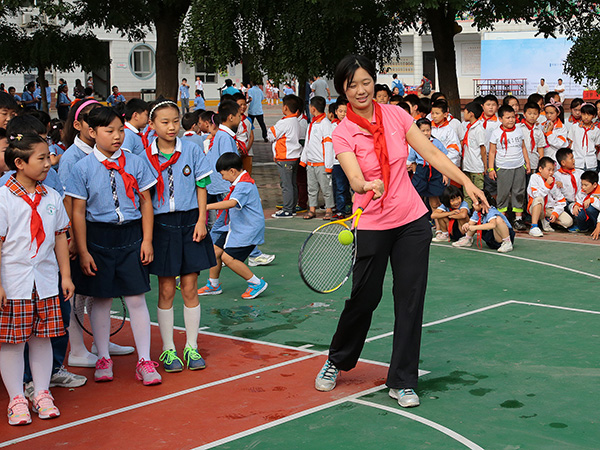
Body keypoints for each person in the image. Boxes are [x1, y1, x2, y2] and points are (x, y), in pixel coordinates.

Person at [314, 55, 486, 408]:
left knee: (410, 300)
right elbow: (352, 176)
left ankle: (403, 379)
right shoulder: (344, 131)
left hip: (411, 222)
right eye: (352, 85)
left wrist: (466, 181)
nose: (360, 90)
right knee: (365, 298)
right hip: (374, 224)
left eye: (365, 82)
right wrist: (366, 184)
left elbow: (430, 153)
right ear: (342, 90)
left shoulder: (395, 114)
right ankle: (337, 358)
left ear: (373, 83)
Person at [65, 107, 161, 386]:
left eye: (120, 130)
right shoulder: (81, 168)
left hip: (131, 236)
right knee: (102, 299)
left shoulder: (136, 163)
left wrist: (146, 240)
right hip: (98, 239)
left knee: (136, 298)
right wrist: (82, 251)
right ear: (92, 133)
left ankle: (144, 360)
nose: (117, 136)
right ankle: (103, 356)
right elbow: (78, 213)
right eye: (110, 131)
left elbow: (146, 203)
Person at [0, 132, 75, 425]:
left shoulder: (52, 196)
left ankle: (42, 393)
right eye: (41, 158)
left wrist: (65, 276)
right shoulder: (4, 199)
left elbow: (59, 237)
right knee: (12, 343)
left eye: (49, 157)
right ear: (19, 162)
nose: (48, 163)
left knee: (42, 338)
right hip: (14, 280)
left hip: (44, 280)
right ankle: (17, 397)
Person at [140, 100, 215, 372]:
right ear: (152, 125)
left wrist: (201, 220)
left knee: (191, 286)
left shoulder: (192, 150)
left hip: (190, 222)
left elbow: (202, 185)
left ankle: (192, 346)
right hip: (161, 225)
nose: (171, 127)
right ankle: (169, 349)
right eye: (164, 122)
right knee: (167, 288)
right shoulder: (145, 155)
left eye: (175, 121)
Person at [199, 153, 268, 299]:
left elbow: (232, 203)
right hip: (234, 226)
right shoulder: (241, 182)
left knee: (228, 258)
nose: (223, 178)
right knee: (215, 251)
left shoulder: (244, 185)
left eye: (223, 175)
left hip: (247, 229)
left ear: (232, 171)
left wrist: (205, 206)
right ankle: (213, 284)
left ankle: (256, 283)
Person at [488, 105, 530, 230]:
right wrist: (491, 168)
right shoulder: (496, 133)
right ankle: (502, 219)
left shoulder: (518, 130)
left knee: (519, 192)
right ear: (500, 119)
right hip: (503, 167)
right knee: (503, 194)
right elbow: (491, 152)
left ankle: (518, 219)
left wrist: (527, 163)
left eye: (513, 117)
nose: (511, 120)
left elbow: (523, 147)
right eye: (507, 118)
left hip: (519, 166)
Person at [408, 118, 449, 242]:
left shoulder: (436, 143)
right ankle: (415, 227)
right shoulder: (414, 143)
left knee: (434, 202)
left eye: (428, 130)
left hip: (435, 171)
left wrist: (445, 174)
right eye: (423, 131)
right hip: (421, 171)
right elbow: (411, 160)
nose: (426, 133)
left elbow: (443, 159)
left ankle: (439, 229)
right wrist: (415, 172)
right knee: (416, 199)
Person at [205, 100, 241, 229]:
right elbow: (228, 161)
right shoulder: (225, 137)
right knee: (226, 217)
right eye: (239, 116)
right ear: (231, 117)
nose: (240, 119)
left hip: (219, 182)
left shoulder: (221, 135)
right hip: (225, 183)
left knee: (221, 217)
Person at [300, 96, 334, 220]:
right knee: (312, 188)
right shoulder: (312, 124)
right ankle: (312, 209)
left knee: (326, 188)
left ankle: (329, 209)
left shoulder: (325, 124)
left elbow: (328, 146)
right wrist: (304, 160)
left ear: (313, 109)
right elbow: (307, 144)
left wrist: (328, 165)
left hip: (321, 163)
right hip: (311, 163)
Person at [268, 95, 302, 218]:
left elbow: (271, 134)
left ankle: (288, 210)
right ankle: (291, 207)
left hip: (285, 157)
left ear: (285, 107)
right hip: (293, 157)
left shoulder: (284, 122)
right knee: (292, 184)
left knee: (286, 185)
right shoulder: (295, 121)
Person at [526, 157, 572, 237]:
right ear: (540, 169)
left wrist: (555, 213)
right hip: (536, 208)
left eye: (553, 170)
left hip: (549, 209)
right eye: (549, 170)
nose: (551, 172)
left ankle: (547, 220)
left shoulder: (554, 181)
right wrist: (546, 185)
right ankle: (534, 227)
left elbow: (561, 201)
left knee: (568, 221)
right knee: (539, 199)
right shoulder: (534, 177)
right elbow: (536, 195)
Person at [461, 102, 486, 208]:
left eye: (465, 112)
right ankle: (469, 214)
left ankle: (478, 217)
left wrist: (485, 166)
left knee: (477, 193)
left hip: (476, 167)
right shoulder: (468, 127)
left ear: (471, 113)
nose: (464, 114)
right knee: (467, 193)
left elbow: (483, 149)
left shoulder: (478, 129)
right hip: (467, 165)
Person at [554, 148, 583, 230]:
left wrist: (577, 203)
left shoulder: (580, 173)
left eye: (573, 158)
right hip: (565, 202)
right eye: (571, 158)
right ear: (563, 162)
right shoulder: (556, 176)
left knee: (579, 211)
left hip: (578, 201)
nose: (574, 160)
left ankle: (580, 225)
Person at [331, 98, 350, 219]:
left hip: (350, 162)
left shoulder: (352, 126)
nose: (343, 114)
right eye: (341, 111)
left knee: (353, 186)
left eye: (345, 111)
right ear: (336, 112)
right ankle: (341, 210)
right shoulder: (332, 126)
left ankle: (352, 208)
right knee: (340, 187)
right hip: (337, 163)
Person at [567, 103, 599, 171]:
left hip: (591, 163)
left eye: (589, 114)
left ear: (594, 116)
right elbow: (571, 142)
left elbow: (596, 145)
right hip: (577, 162)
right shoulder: (574, 127)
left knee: (591, 180)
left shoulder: (596, 130)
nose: (586, 117)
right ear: (581, 114)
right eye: (584, 114)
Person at [430, 100, 461, 168]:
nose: (434, 116)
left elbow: (454, 150)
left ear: (445, 114)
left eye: (437, 113)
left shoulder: (449, 131)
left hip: (443, 165)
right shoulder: (428, 128)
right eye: (432, 113)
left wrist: (443, 163)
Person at [519, 102, 546, 177]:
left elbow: (540, 148)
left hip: (533, 162)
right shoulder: (518, 128)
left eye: (535, 114)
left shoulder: (538, 131)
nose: (532, 116)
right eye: (529, 113)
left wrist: (541, 162)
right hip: (520, 161)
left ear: (538, 115)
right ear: (524, 114)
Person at [576, 170, 600, 239]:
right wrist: (576, 205)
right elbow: (579, 200)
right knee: (578, 212)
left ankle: (597, 228)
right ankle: (584, 228)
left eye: (586, 185)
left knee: (590, 208)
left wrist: (592, 200)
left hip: (597, 218)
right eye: (582, 184)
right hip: (588, 218)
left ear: (595, 185)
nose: (583, 187)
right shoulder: (582, 191)